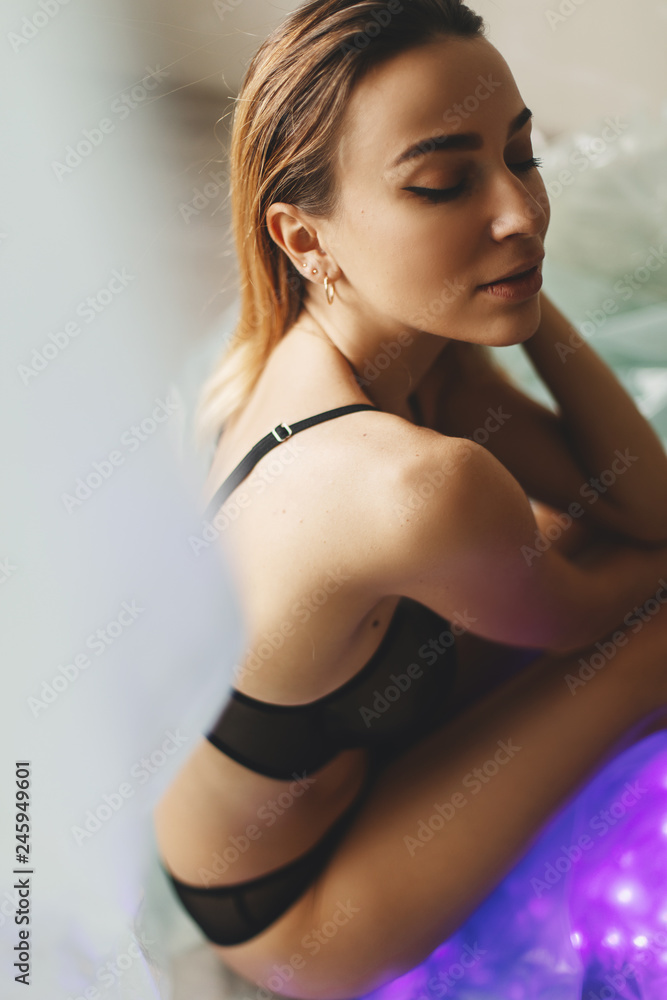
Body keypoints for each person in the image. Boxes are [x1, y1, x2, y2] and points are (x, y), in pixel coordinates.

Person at [152, 1, 667, 996]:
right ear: (304, 237)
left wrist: (514, 285)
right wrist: (505, 282)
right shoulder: (406, 482)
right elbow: (617, 588)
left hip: (320, 766)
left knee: (561, 539)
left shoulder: (341, 352)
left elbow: (638, 508)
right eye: (441, 184)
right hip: (290, 907)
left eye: (520, 157)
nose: (520, 210)